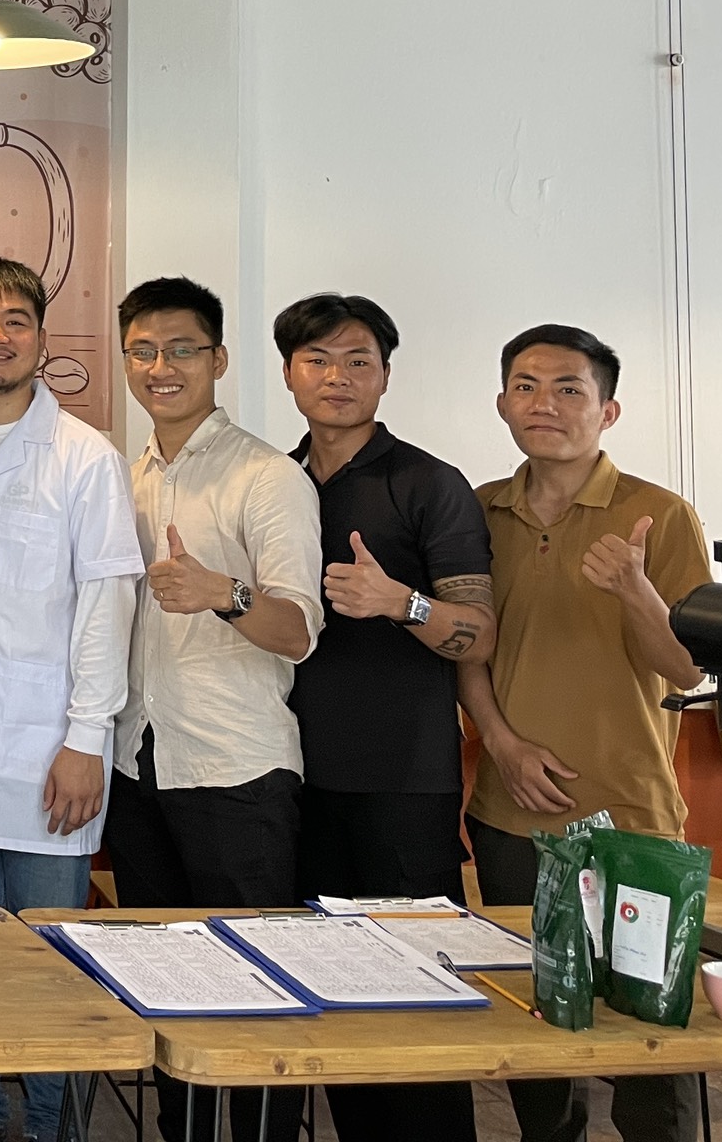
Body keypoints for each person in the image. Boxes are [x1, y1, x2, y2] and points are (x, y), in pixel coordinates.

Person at [460, 324, 714, 1142]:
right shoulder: (478, 511)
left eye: (569, 388)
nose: (545, 404)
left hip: (630, 812)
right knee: (538, 1029)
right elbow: (467, 650)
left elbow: (687, 670)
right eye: (526, 386)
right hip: (511, 812)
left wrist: (636, 589)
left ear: (608, 410)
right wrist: (501, 744)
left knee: (649, 1032)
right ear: (502, 403)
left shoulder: (660, 514)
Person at [0, 259, 139, 1142]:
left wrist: (87, 737)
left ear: (42, 337)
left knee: (54, 960)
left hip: (51, 750)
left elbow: (107, 602)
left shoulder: (84, 456)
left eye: (14, 319)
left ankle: (52, 1126)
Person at [105, 276, 320, 1142]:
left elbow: (298, 630)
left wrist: (221, 592)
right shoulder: (125, 478)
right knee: (171, 992)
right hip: (139, 766)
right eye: (143, 351)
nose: (161, 367)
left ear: (219, 360)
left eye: (181, 349)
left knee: (259, 994)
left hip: (236, 771)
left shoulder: (267, 476)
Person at [273, 292, 492, 1142]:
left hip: (403, 784)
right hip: (293, 779)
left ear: (386, 376)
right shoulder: (274, 480)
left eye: (358, 360)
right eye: (318, 360)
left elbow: (479, 633)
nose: (338, 377)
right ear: (289, 374)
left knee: (420, 1003)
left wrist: (402, 603)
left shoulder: (429, 483)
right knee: (332, 1002)